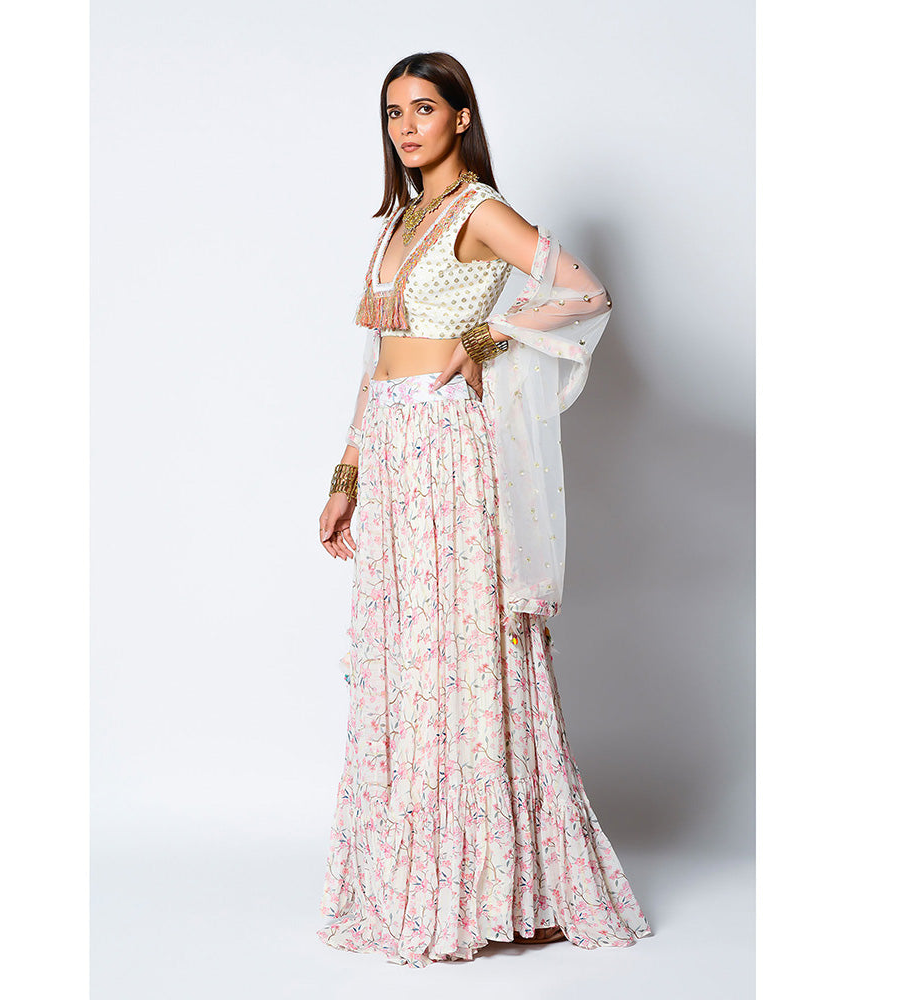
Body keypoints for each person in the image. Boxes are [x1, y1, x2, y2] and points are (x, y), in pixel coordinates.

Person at [316, 51, 652, 968]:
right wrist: (347, 475)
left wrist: (486, 336)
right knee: (407, 654)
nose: (406, 127)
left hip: (450, 452)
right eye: (394, 112)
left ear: (461, 117)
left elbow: (588, 294)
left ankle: (490, 883)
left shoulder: (479, 211)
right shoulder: (398, 223)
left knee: (459, 648)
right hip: (394, 448)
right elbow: (376, 363)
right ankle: (415, 874)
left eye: (424, 108)